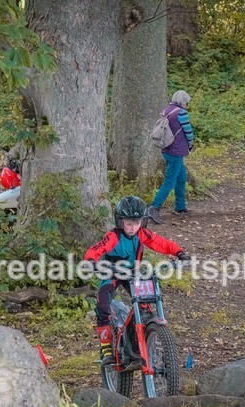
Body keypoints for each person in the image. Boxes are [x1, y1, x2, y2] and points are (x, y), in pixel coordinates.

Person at [84, 196, 190, 365]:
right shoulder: (113, 236)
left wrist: (179, 252)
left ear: (143, 221)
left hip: (134, 273)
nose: (133, 227)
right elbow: (98, 248)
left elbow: (160, 243)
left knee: (146, 301)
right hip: (112, 273)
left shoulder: (142, 234)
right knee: (103, 305)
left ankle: (144, 332)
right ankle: (105, 347)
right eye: (128, 223)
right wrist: (90, 261)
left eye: (137, 222)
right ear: (120, 222)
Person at [147, 90, 195, 225]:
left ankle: (180, 207)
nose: (187, 105)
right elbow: (188, 132)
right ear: (183, 101)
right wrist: (190, 145)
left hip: (166, 149)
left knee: (182, 177)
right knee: (169, 181)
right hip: (176, 151)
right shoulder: (182, 113)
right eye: (186, 102)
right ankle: (154, 208)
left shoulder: (167, 109)